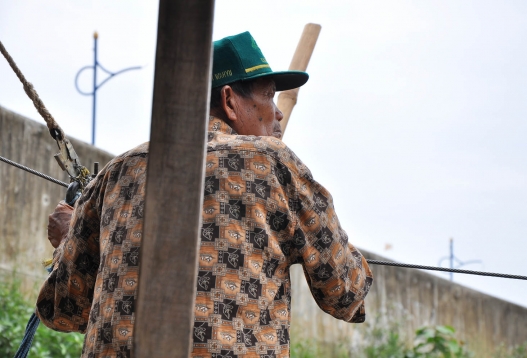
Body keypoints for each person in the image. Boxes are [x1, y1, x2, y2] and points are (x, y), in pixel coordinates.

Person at [37, 31, 373, 358]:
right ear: (229, 100)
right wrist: (320, 238)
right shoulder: (272, 162)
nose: (278, 111)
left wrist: (70, 239)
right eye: (269, 95)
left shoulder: (117, 172)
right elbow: (345, 291)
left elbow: (65, 310)